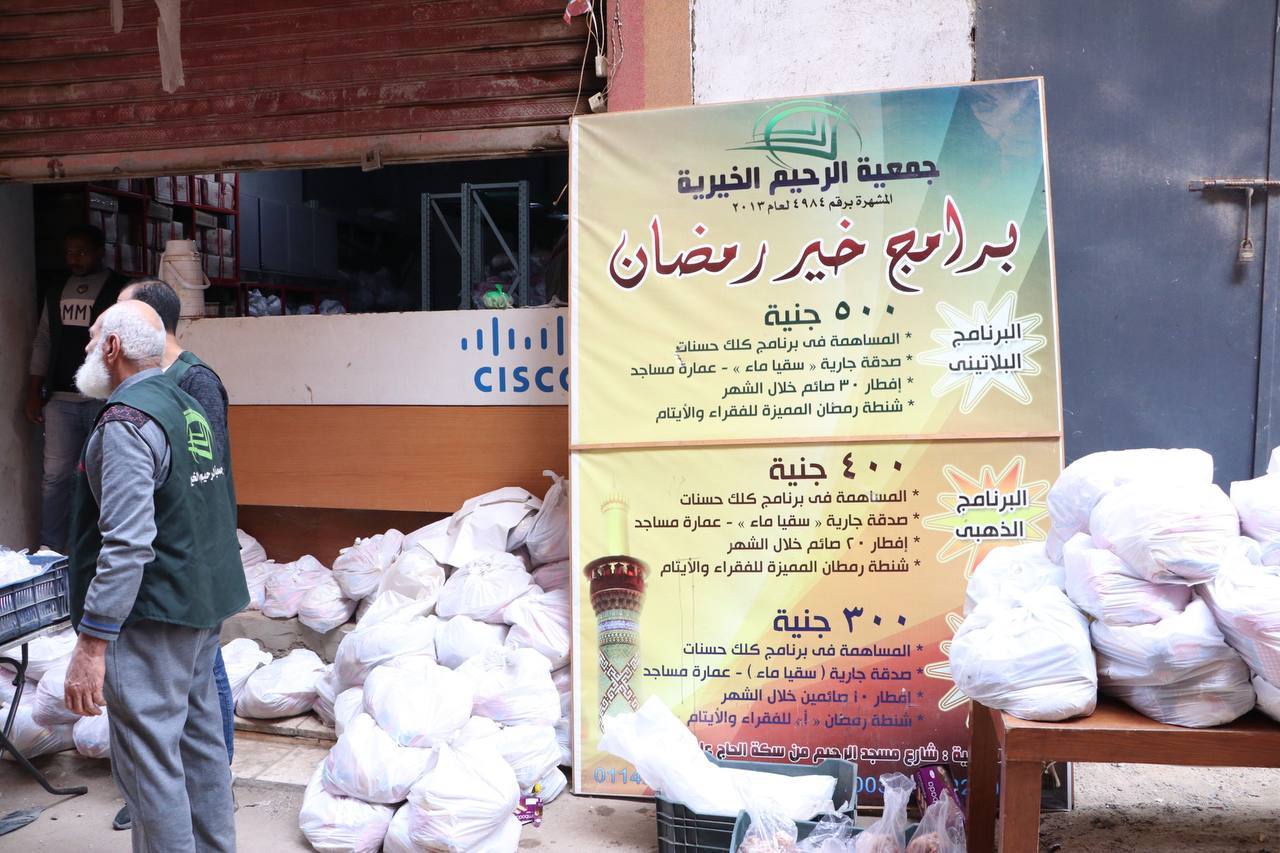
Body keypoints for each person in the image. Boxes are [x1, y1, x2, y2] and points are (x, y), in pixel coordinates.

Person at [62, 300, 247, 853]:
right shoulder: (183, 404)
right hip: (197, 607)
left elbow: (127, 542)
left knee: (151, 768)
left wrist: (93, 641)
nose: (87, 348)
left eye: (92, 338)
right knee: (201, 750)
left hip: (149, 617)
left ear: (112, 348)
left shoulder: (127, 421)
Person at [113, 278, 236, 832]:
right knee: (192, 689)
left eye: (119, 313)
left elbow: (204, 474)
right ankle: (174, 792)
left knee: (204, 684)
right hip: (173, 562)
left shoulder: (194, 381)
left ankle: (208, 784)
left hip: (188, 562)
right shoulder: (148, 387)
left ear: (149, 322)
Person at [25, 224, 129, 552]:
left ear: (100, 251)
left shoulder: (120, 289)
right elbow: (43, 339)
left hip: (104, 398)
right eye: (70, 252)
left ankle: (101, 550)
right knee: (55, 477)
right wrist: (33, 391)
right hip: (60, 398)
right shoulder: (56, 288)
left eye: (82, 252)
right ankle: (51, 551)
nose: (74, 259)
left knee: (104, 476)